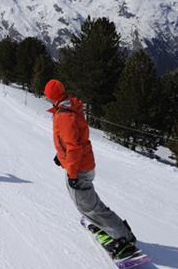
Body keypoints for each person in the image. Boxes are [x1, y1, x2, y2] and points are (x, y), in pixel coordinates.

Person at [44, 79, 137, 258]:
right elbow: (73, 139)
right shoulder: (67, 107)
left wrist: (71, 172)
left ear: (52, 97)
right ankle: (107, 224)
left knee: (89, 205)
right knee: (87, 203)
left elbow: (73, 146)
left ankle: (123, 237)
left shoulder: (64, 115)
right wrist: (60, 155)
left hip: (78, 168)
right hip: (81, 163)